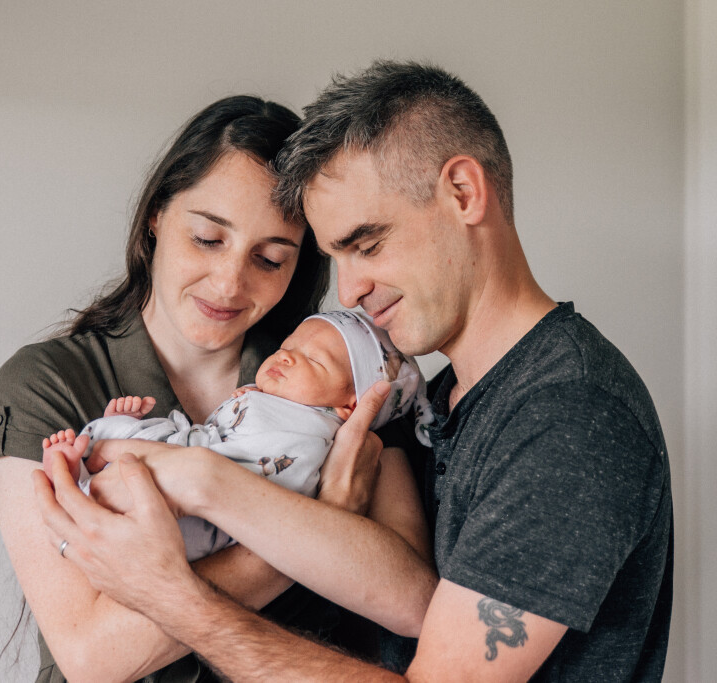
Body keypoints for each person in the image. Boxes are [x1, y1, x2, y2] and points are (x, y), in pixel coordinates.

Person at [34, 60, 674, 682]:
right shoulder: (437, 402)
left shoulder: (568, 417)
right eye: (336, 257)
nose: (349, 291)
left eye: (367, 244)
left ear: (463, 192)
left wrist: (175, 593)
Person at [0, 95, 437, 682]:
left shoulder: (342, 376)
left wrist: (207, 495)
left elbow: (413, 602)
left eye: (270, 259)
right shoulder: (48, 383)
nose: (230, 282)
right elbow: (92, 656)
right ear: (157, 216)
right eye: (209, 239)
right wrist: (322, 522)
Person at [42, 310, 433, 562]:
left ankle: (87, 479)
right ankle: (85, 468)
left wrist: (164, 451)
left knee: (140, 513)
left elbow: (271, 483)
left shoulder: (310, 435)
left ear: (350, 406)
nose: (286, 356)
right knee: (137, 440)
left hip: (208, 511)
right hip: (195, 459)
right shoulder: (275, 401)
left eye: (314, 360)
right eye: (288, 346)